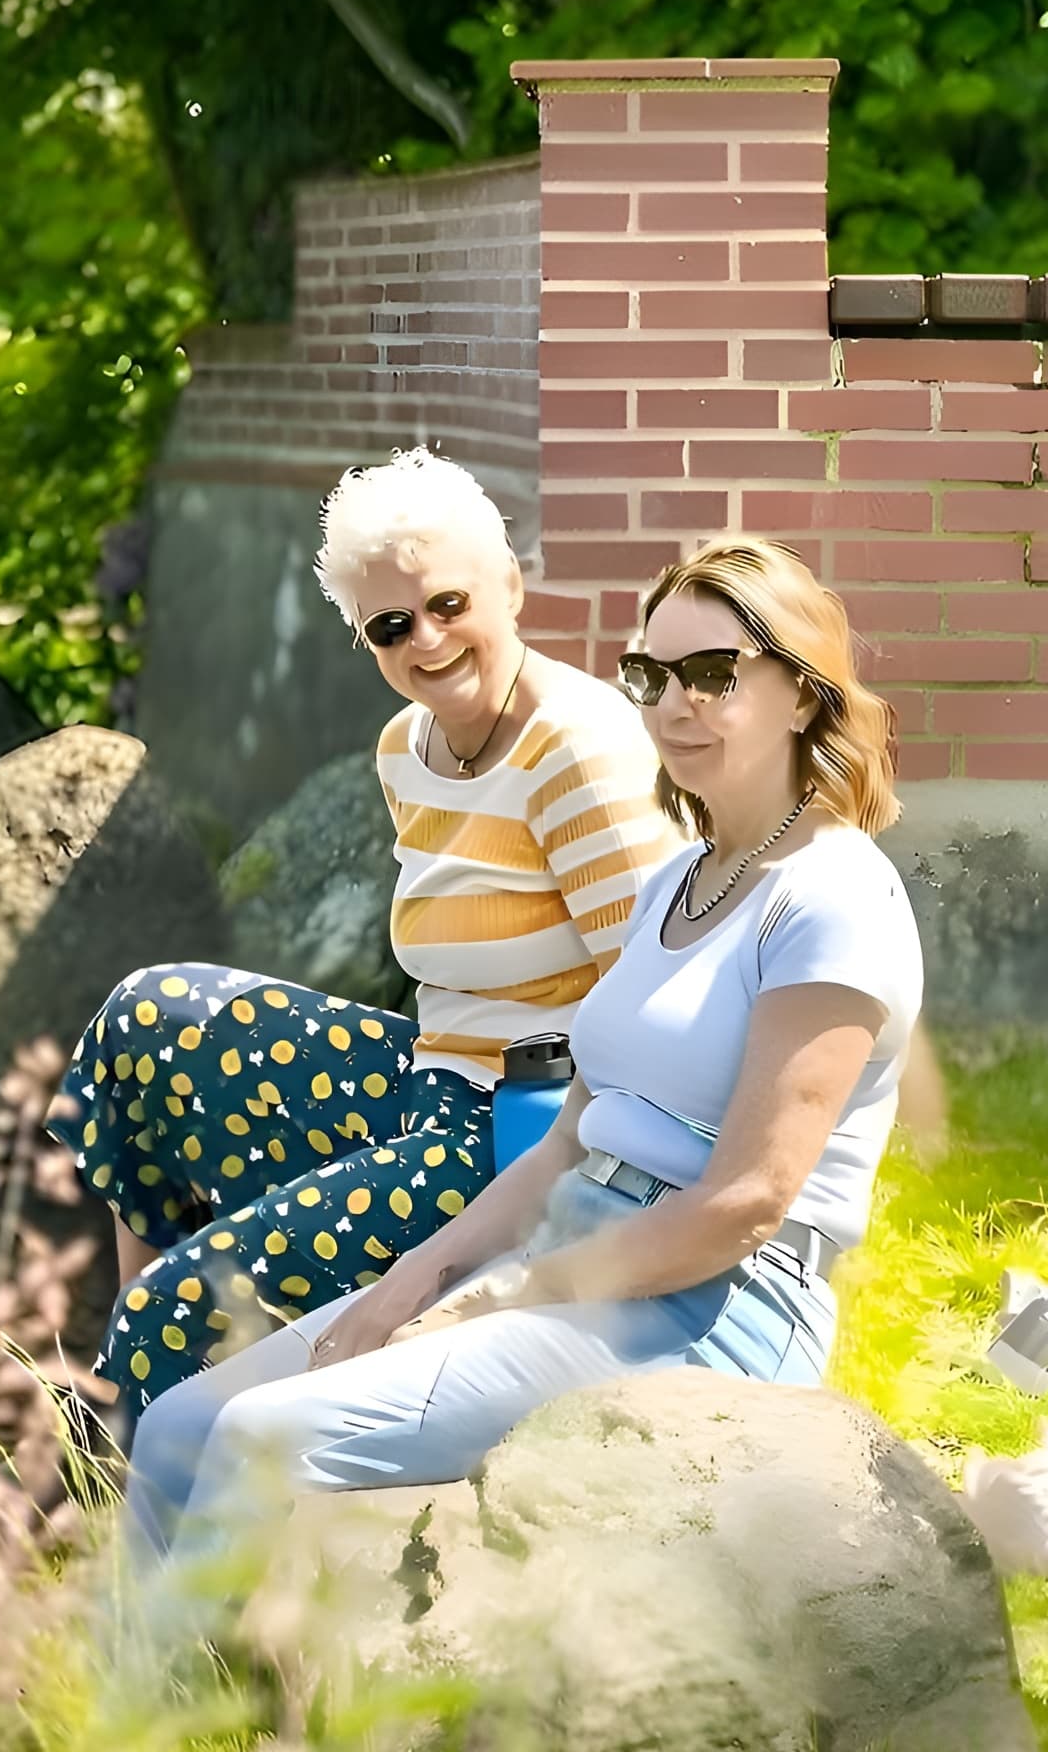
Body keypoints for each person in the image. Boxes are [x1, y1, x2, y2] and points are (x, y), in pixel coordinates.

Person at [121, 534, 921, 1558]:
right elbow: (560, 1148)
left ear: (804, 695)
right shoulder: (676, 883)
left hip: (704, 1307)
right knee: (182, 1422)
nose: (676, 705)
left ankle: (182, 1714)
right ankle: (119, 1699)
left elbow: (743, 1207)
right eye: (652, 675)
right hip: (572, 1245)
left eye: (714, 675)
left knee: (256, 1437)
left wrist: (510, 1294)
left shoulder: (832, 898)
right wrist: (416, 1279)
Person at [50, 447, 679, 1425]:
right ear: (365, 638)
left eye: (448, 604)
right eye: (391, 624)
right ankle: (136, 1356)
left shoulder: (577, 750)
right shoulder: (406, 749)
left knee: (176, 1316)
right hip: (430, 1085)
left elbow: (656, 1021)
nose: (425, 640)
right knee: (147, 1020)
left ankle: (114, 1480)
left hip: (529, 1137)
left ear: (509, 586)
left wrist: (531, 1217)